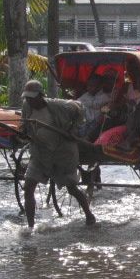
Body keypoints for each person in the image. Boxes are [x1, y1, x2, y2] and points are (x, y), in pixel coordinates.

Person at [20, 80, 96, 227]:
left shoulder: (58, 106)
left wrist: (73, 130)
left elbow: (80, 108)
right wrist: (23, 133)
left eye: (32, 97)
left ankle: (89, 214)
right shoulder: (26, 106)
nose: (29, 100)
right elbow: (25, 125)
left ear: (41, 96)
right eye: (27, 97)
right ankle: (30, 227)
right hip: (40, 153)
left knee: (72, 188)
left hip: (62, 152)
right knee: (29, 187)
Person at [77, 74, 110, 141]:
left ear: (100, 86)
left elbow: (96, 104)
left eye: (92, 86)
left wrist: (85, 103)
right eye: (88, 85)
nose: (88, 88)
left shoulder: (105, 97)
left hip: (95, 123)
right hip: (84, 120)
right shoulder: (87, 94)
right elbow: (78, 101)